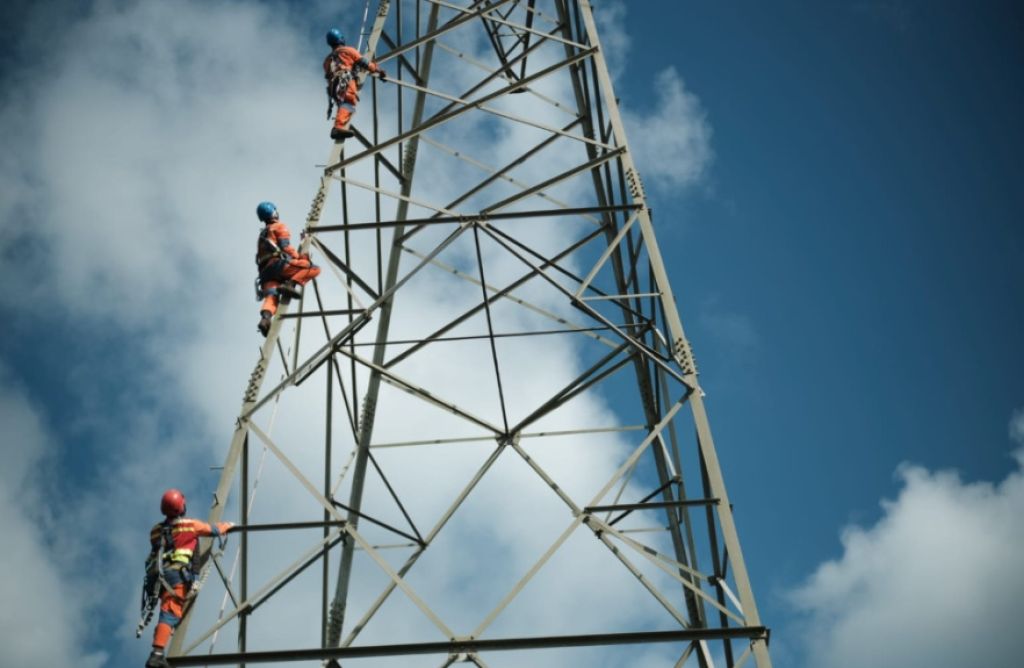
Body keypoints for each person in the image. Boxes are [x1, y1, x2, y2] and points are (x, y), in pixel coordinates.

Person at [144, 490, 233, 668]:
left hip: (157, 578)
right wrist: (227, 526)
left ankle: (159, 646)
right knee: (170, 612)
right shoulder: (190, 525)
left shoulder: (155, 531)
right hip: (177, 575)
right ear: (181, 506)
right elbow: (213, 530)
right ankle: (157, 654)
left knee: (166, 613)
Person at [255, 201, 321, 337]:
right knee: (314, 268)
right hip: (277, 265)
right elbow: (285, 247)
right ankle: (289, 284)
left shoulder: (262, 236)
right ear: (274, 212)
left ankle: (266, 318)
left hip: (265, 274)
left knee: (272, 297)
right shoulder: (279, 226)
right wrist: (300, 257)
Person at [324, 28, 387, 140]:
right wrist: (379, 71)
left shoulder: (327, 60)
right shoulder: (348, 51)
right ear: (341, 39)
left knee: (343, 103)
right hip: (345, 81)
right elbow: (365, 63)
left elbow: (329, 73)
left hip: (333, 87)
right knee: (348, 102)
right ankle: (338, 128)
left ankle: (338, 126)